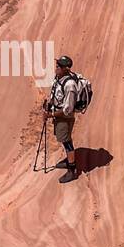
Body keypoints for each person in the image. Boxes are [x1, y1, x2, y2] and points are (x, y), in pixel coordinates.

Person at [44, 55, 80, 183]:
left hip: (64, 117)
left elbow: (68, 109)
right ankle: (69, 161)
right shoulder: (59, 77)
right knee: (64, 139)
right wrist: (49, 104)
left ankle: (72, 169)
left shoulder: (70, 85)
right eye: (57, 65)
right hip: (58, 113)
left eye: (59, 66)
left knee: (66, 140)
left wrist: (51, 115)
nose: (56, 67)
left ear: (66, 69)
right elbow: (55, 93)